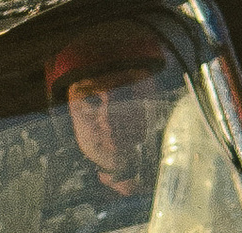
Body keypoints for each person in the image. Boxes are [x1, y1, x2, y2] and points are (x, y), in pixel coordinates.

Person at [45, 22, 183, 203]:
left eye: (125, 95)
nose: (108, 120)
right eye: (91, 100)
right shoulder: (56, 217)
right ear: (66, 120)